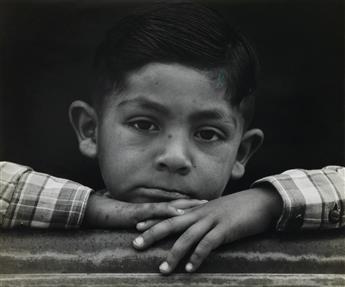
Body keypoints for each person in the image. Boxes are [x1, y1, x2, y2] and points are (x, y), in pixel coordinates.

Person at [0, 2, 344, 275]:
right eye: (144, 124)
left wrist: (266, 203)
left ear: (242, 152)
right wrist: (97, 210)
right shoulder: (59, 216)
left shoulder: (260, 218)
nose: (176, 157)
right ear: (91, 130)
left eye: (208, 133)